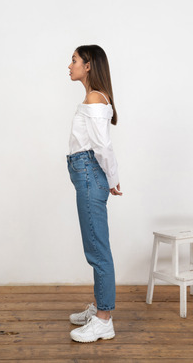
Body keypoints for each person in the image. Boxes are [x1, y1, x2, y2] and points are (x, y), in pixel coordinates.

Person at [66, 45, 122, 343]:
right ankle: (100, 308)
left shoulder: (95, 99)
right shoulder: (93, 99)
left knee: (97, 250)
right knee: (95, 246)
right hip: (86, 174)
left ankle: (104, 319)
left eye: (74, 60)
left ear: (88, 66)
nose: (69, 64)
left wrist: (112, 179)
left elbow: (102, 147)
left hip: (90, 175)